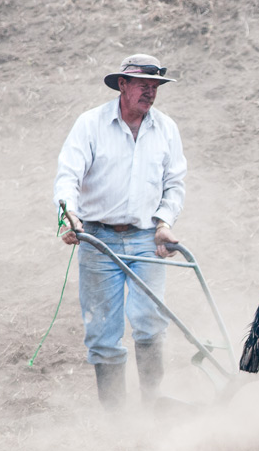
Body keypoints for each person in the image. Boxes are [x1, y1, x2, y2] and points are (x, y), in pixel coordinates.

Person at [53, 54, 187, 409]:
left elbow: (174, 184)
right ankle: (116, 421)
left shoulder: (166, 129)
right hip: (98, 239)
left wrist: (164, 223)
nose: (150, 92)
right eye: (143, 85)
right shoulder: (91, 124)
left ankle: (154, 404)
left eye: (155, 86)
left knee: (150, 321)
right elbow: (68, 176)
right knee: (102, 333)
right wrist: (68, 215)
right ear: (122, 85)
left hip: (146, 238)